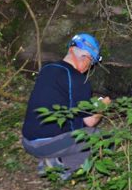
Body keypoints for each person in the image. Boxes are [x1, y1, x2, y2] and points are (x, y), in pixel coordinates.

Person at [21, 33, 111, 178]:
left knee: (78, 131)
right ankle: (60, 168)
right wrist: (103, 106)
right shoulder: (78, 80)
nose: (89, 68)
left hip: (27, 141)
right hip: (46, 145)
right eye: (92, 63)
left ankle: (53, 160)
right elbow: (90, 121)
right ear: (86, 58)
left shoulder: (47, 69)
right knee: (100, 138)